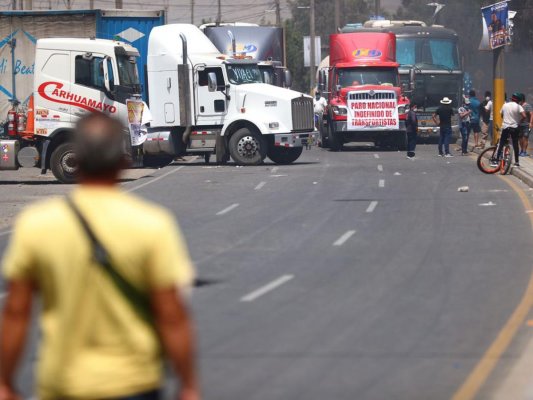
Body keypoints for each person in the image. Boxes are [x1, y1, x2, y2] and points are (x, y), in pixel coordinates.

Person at [0, 113, 200, 400]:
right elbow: (172, 315)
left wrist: (5, 382)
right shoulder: (152, 225)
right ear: (123, 162)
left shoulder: (36, 226)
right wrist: (189, 385)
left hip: (63, 387)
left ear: (76, 161)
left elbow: (17, 312)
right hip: (135, 385)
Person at [494, 92, 526, 167]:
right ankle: (517, 162)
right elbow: (524, 116)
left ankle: (496, 160)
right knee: (515, 144)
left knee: (501, 143)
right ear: (519, 100)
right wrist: (519, 121)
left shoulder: (505, 105)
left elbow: (501, 114)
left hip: (505, 127)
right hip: (515, 127)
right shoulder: (519, 107)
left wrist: (506, 119)